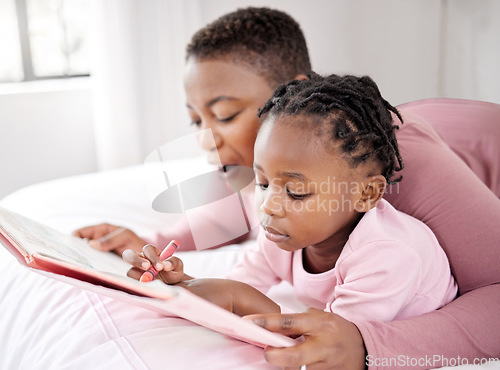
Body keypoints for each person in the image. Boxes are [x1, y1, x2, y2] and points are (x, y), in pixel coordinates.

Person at [75, 7, 500, 369]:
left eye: (224, 115)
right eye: (195, 121)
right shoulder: (285, 173)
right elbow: (241, 209)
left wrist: (370, 345)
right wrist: (157, 243)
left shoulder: (399, 171)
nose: (205, 140)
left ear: (289, 90)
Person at [123, 72, 458, 326]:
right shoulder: (281, 235)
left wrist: (245, 302)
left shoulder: (388, 257)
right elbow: (236, 285)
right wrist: (187, 284)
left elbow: (334, 341)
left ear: (365, 193)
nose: (267, 205)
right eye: (263, 183)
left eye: (295, 192)